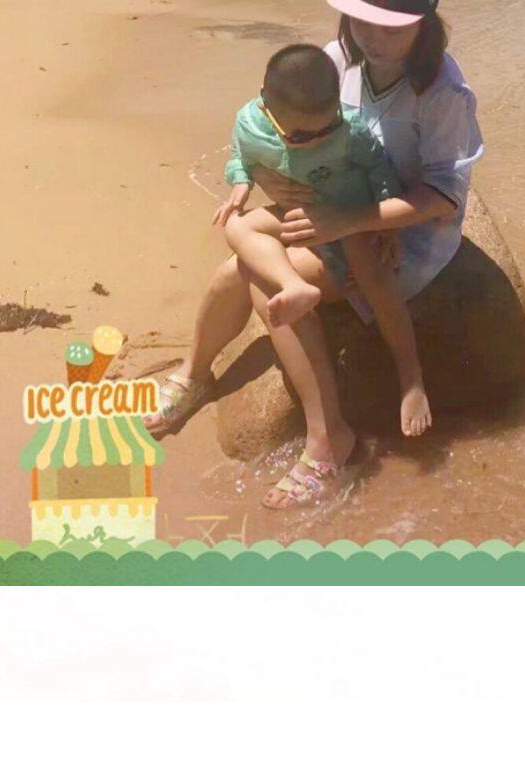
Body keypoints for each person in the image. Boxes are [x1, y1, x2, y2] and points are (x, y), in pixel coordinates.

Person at [145, 0, 483, 510]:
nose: (373, 38)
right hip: (328, 207)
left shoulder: (443, 93)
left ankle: (328, 439)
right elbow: (276, 128)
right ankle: (196, 374)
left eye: (391, 29)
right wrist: (268, 181)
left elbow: (443, 197)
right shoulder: (336, 61)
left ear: (424, 24)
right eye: (363, 22)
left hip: (398, 233)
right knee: (240, 258)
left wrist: (352, 221)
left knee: (254, 276)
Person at [214, 44, 420, 423]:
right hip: (300, 216)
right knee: (237, 226)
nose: (316, 141)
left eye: (328, 127)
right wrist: (240, 184)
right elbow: (241, 156)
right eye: (299, 137)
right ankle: (293, 284)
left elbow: (380, 169)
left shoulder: (350, 132)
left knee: (377, 279)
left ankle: (411, 379)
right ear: (265, 106)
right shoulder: (249, 123)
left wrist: (386, 224)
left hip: (348, 217)